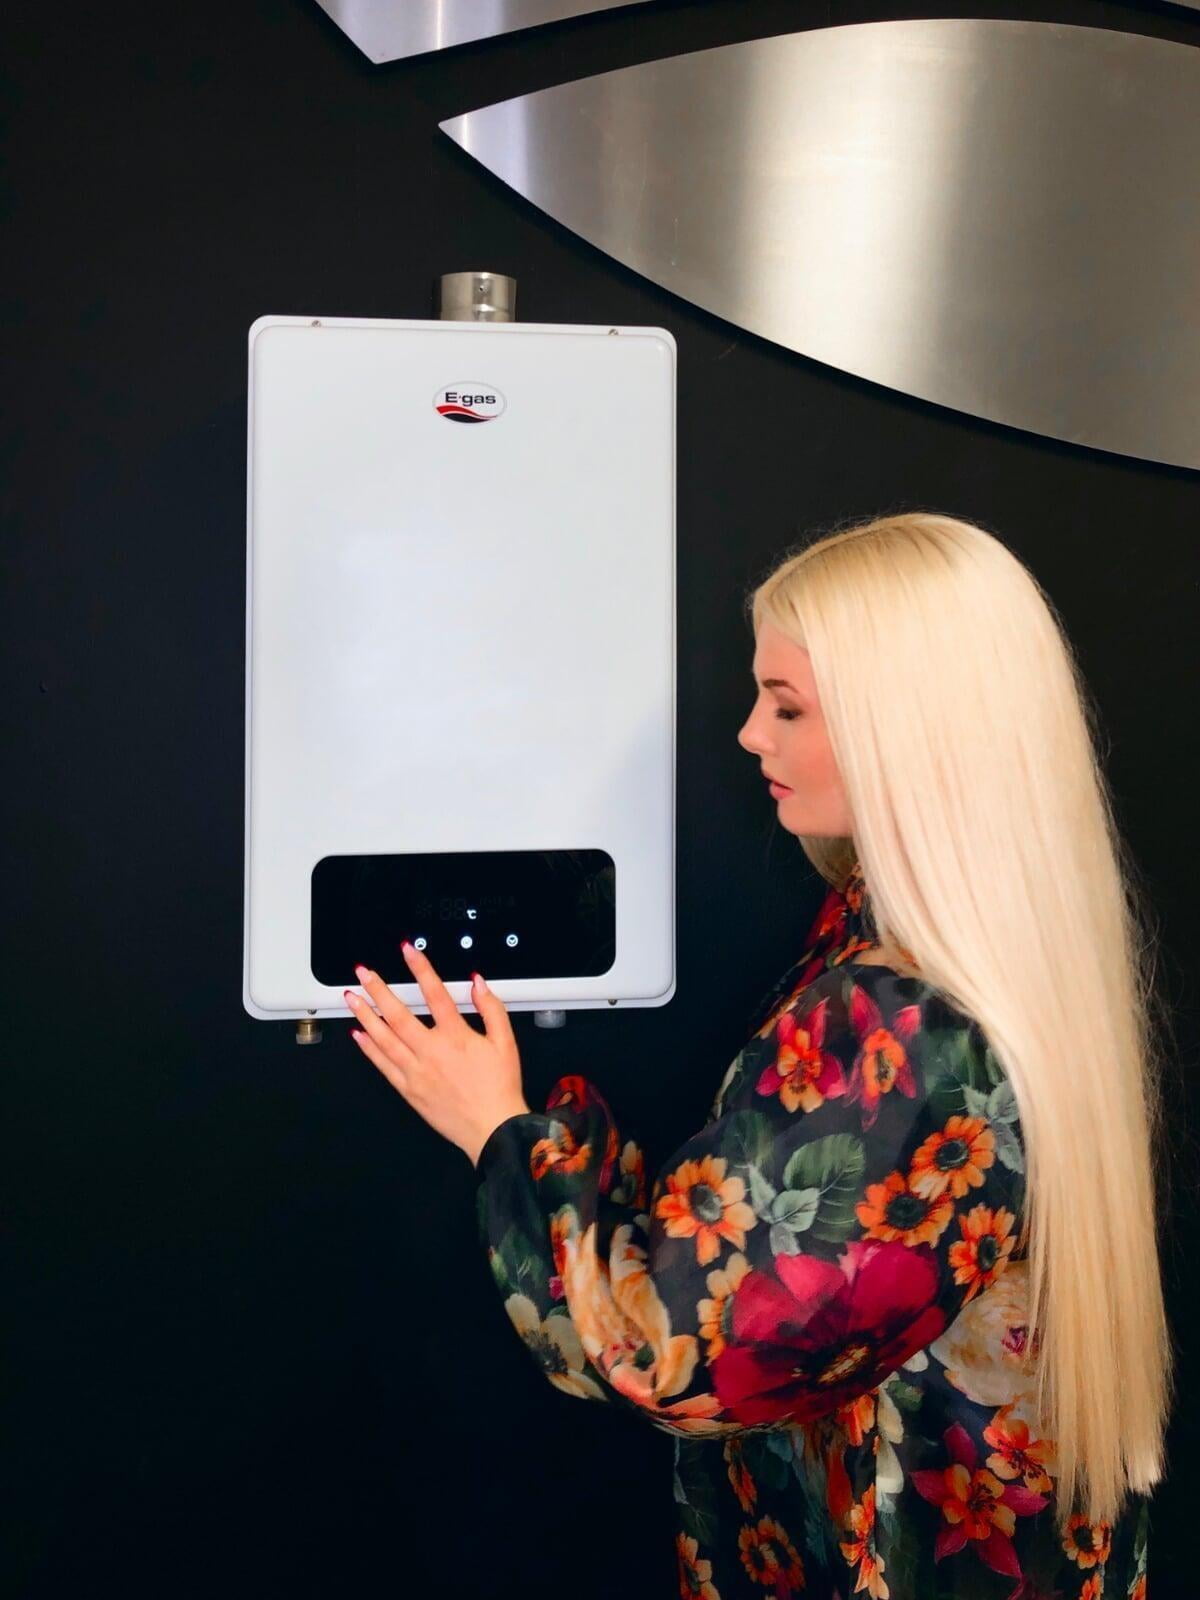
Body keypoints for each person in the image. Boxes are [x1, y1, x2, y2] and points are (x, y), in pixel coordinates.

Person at [347, 512, 1174, 1599]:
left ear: (910, 734)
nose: (748, 733)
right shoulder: (978, 959)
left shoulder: (910, 1032)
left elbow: (672, 1356)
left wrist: (500, 1130)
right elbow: (773, 1257)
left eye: (787, 705)